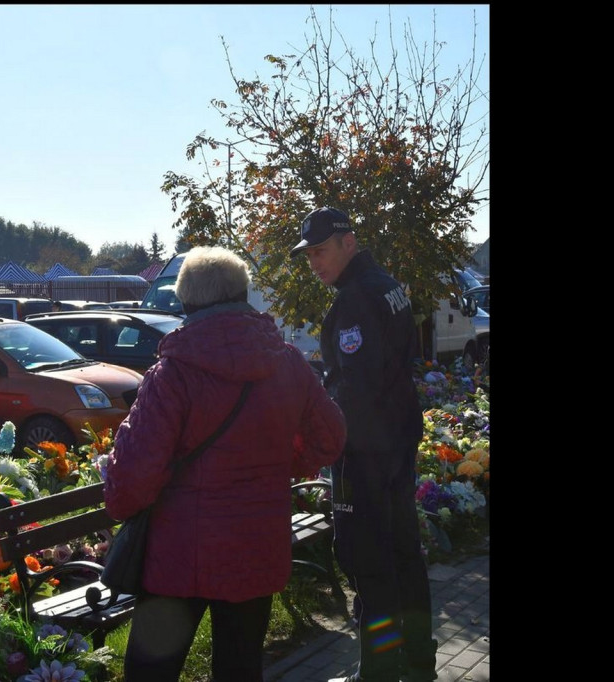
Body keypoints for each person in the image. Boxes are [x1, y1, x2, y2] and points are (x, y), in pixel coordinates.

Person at [101, 245, 347, 682]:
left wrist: (118, 503)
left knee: (150, 671)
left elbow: (134, 476)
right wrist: (280, 466)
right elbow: (330, 438)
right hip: (256, 547)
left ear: (187, 302)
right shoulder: (287, 363)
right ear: (242, 295)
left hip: (180, 556)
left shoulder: (173, 374)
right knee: (240, 667)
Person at [290, 207, 438, 682]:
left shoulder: (353, 300)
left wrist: (325, 438)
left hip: (366, 450)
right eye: (308, 254)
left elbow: (355, 387)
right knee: (403, 553)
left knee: (368, 560)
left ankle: (377, 670)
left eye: (320, 251)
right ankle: (417, 660)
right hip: (396, 438)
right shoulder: (386, 284)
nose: (314, 263)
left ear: (348, 242)